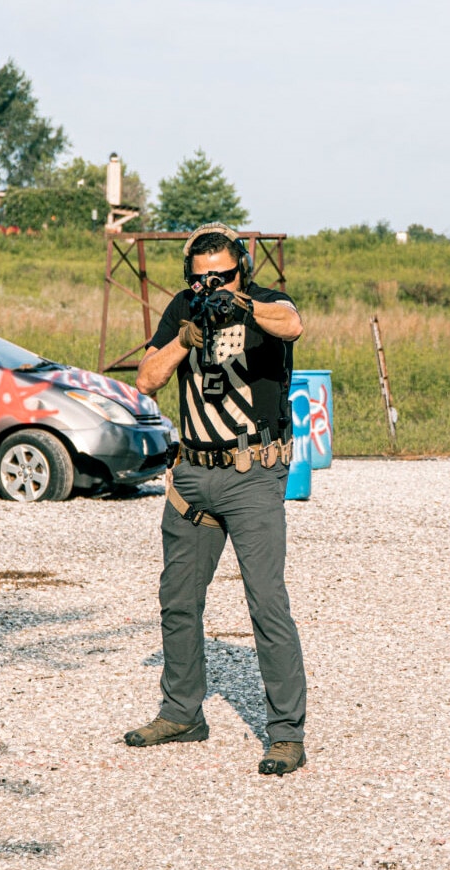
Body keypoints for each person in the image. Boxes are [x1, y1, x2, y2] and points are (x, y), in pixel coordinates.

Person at [127, 222, 308, 776]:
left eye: (223, 276)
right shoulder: (184, 309)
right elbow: (147, 379)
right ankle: (182, 713)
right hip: (193, 475)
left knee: (266, 603)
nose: (212, 286)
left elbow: (294, 325)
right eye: (203, 278)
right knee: (178, 599)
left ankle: (285, 734)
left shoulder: (267, 302)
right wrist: (184, 339)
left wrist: (240, 305)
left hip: (252, 473)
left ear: (241, 271)